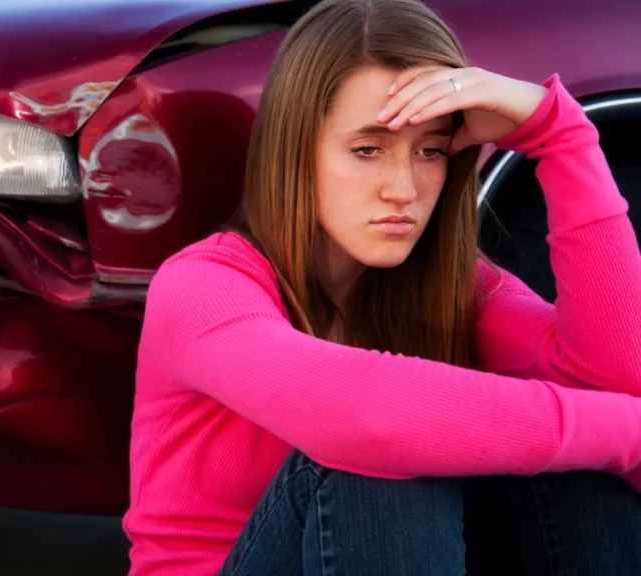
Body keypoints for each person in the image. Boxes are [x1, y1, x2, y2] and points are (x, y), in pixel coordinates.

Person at [123, 0, 641, 574]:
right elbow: (369, 421)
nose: (403, 188)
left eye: (430, 151)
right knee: (379, 463)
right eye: (368, 149)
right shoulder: (201, 283)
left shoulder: (458, 287)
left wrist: (561, 135)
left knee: (582, 469)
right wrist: (628, 435)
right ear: (294, 150)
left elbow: (616, 376)